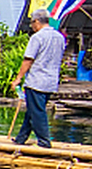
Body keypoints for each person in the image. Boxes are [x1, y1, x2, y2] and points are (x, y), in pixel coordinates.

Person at [12, 8, 65, 149]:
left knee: (37, 111)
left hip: (37, 80)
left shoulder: (37, 37)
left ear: (36, 22)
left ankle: (44, 141)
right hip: (51, 80)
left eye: (32, 23)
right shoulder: (60, 37)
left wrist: (18, 78)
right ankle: (21, 138)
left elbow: (28, 59)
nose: (32, 27)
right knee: (33, 110)